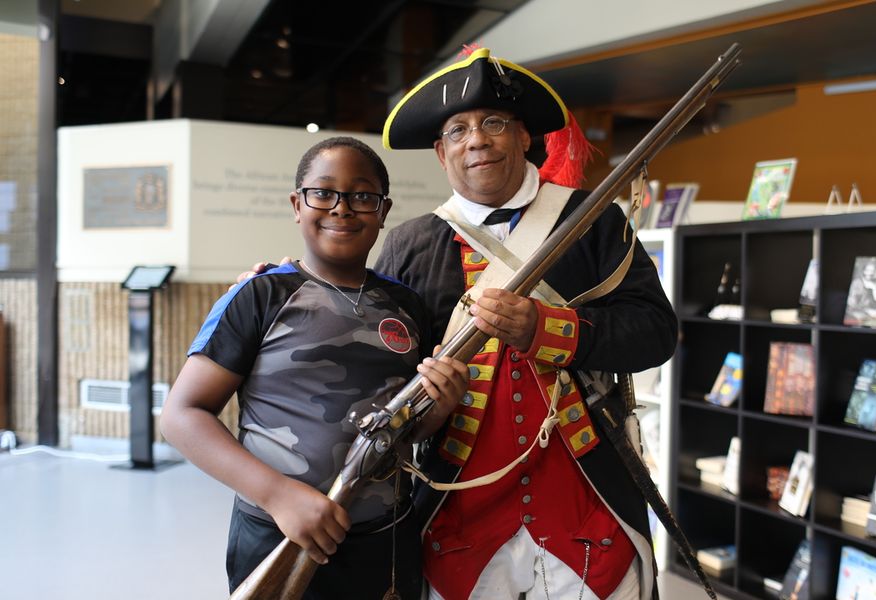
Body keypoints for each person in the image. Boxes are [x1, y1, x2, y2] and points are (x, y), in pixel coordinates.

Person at [244, 48, 677, 599]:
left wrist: (547, 330)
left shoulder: (590, 220)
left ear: (524, 137)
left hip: (587, 503)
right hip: (457, 510)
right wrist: (275, 283)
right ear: (440, 151)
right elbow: (363, 336)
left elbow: (655, 333)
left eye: (494, 123)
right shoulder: (408, 242)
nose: (477, 139)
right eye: (458, 129)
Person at [160, 136, 469, 599]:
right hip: (276, 533)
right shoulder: (261, 295)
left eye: (362, 196)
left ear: (383, 211)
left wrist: (439, 409)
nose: (342, 208)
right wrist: (276, 495)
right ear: (297, 205)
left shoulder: (407, 305)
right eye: (323, 193)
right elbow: (182, 415)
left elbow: (407, 429)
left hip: (386, 539)